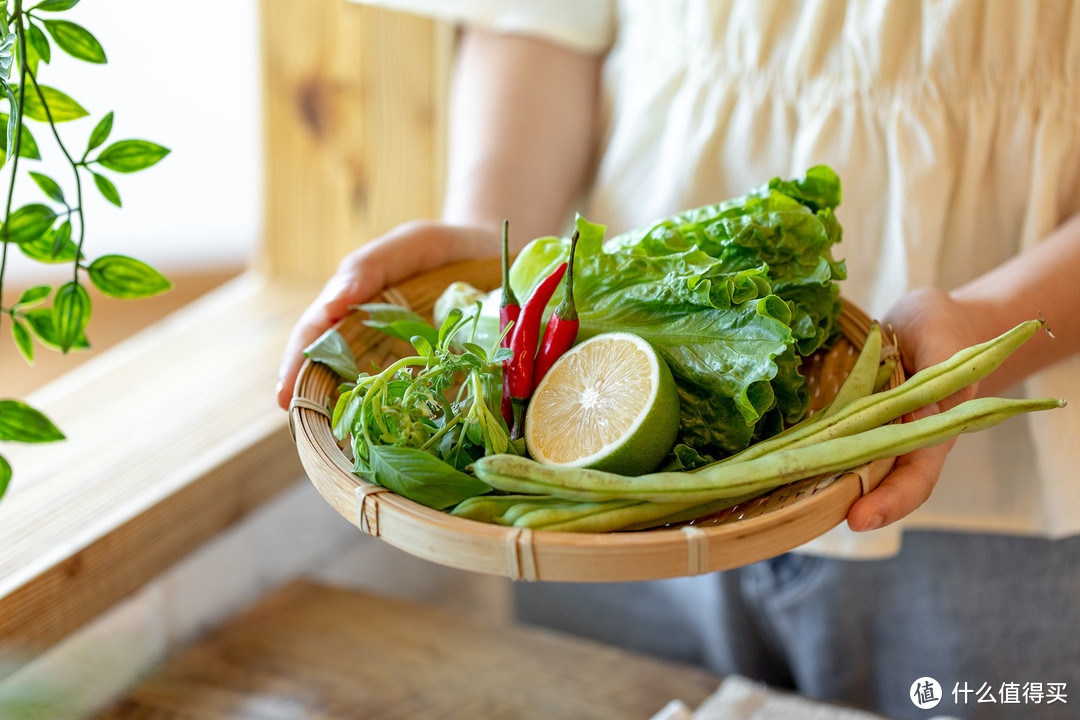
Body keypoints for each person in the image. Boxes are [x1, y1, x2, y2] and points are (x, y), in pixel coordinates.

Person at [277, 2, 1080, 718]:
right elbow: (544, 17)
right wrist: (496, 241)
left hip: (1000, 512)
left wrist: (993, 320)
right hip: (603, 463)